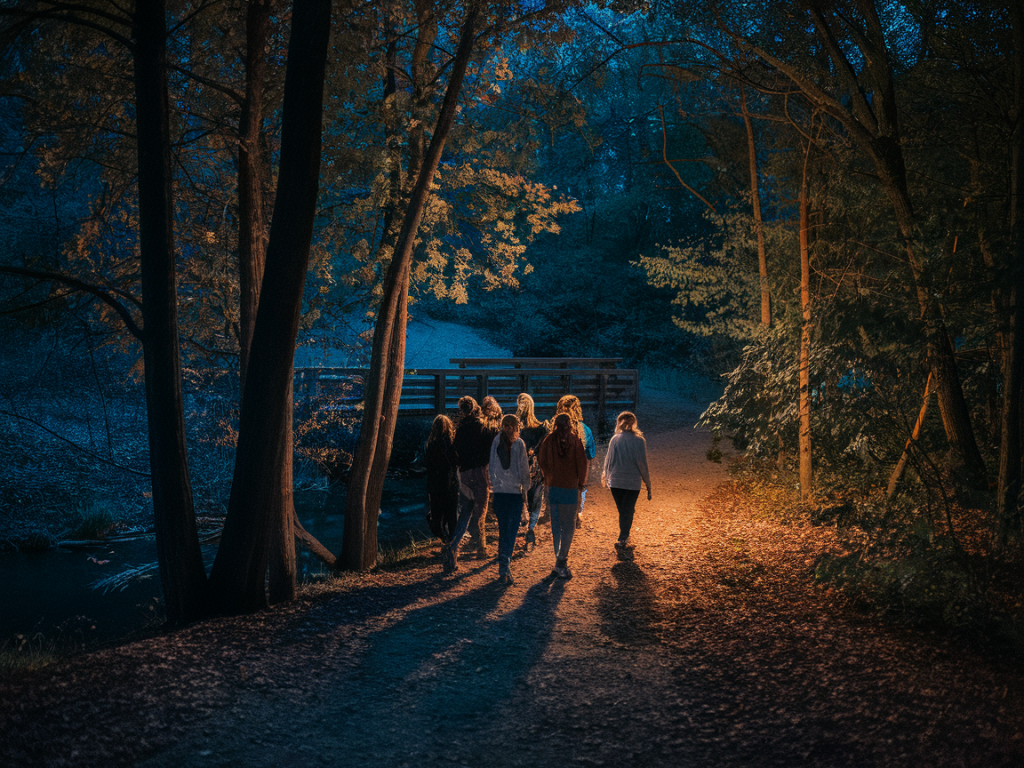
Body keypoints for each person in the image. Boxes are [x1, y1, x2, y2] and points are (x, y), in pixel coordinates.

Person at [443, 396, 498, 573]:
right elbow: (491, 448)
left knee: (466, 510)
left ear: (462, 410)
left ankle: (454, 545)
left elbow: (455, 451)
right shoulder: (484, 427)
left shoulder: (460, 429)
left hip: (465, 473)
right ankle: (481, 546)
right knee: (480, 511)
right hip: (481, 471)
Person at [538, 413, 588, 579]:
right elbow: (582, 464)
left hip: (553, 487)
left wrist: (548, 477)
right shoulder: (575, 441)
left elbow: (542, 461)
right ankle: (561, 560)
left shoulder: (548, 441)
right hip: (570, 487)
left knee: (556, 524)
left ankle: (558, 558)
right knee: (568, 525)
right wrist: (581, 483)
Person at [602, 411, 652, 561]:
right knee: (627, 510)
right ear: (634, 423)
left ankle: (624, 536)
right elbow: (642, 463)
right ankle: (623, 537)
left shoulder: (615, 439)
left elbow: (609, 460)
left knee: (623, 509)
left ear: (619, 422)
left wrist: (606, 476)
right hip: (632, 482)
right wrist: (648, 483)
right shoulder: (639, 441)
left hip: (616, 481)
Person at [488, 414, 530, 584]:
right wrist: (526, 488)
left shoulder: (496, 441)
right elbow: (524, 468)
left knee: (503, 529)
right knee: (511, 532)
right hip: (514, 493)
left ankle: (503, 564)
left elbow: (491, 466)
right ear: (517, 427)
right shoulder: (519, 444)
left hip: (499, 493)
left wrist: (494, 485)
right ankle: (505, 565)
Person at [553, 394, 596, 529]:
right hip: (577, 466)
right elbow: (590, 454)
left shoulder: (554, 427)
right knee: (578, 489)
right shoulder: (584, 429)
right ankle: (576, 514)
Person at [516, 392, 548, 550]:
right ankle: (531, 529)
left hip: (519, 470)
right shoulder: (541, 428)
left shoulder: (515, 429)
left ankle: (523, 525)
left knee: (521, 499)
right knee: (535, 501)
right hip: (536, 470)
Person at [424, 414, 459, 543]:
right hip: (450, 483)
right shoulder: (451, 444)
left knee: (436, 513)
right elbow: (455, 462)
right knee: (451, 513)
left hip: (435, 484)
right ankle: (452, 538)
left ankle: (440, 533)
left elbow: (428, 464)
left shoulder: (431, 445)